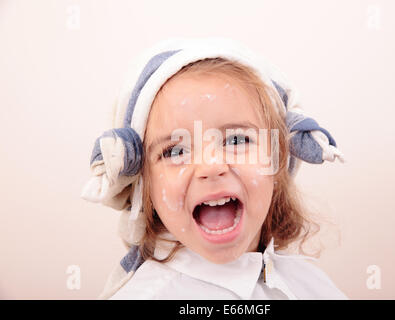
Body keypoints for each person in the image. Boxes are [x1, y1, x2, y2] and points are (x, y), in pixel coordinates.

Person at [81, 37, 347, 299]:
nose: (210, 166)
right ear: (145, 188)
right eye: (176, 150)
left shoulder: (311, 284)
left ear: (277, 160)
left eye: (236, 140)